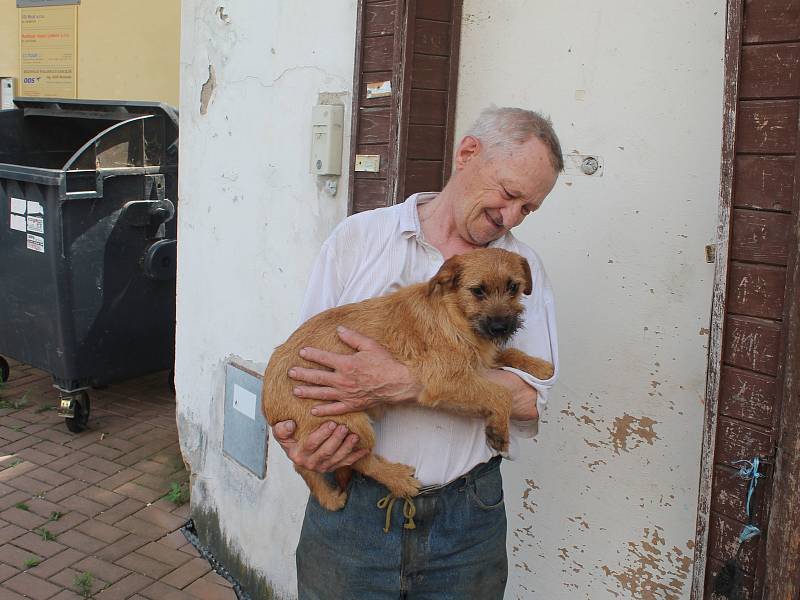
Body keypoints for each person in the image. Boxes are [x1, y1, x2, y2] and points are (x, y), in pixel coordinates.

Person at [272, 106, 563, 599]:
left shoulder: (520, 265)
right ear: (468, 154)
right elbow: (306, 364)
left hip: (467, 518)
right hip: (354, 518)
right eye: (510, 194)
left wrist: (407, 382)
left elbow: (531, 400)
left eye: (527, 209)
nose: (510, 216)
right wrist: (298, 443)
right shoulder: (358, 239)